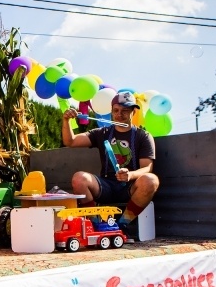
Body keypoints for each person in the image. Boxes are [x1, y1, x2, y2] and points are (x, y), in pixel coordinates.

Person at [61, 91, 160, 226]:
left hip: (130, 188)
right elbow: (70, 142)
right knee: (79, 179)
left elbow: (147, 167)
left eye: (125, 110)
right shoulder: (102, 133)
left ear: (133, 112)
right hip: (105, 186)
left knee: (151, 180)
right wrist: (66, 120)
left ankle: (123, 224)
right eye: (116, 110)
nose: (120, 114)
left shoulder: (143, 136)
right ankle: (95, 223)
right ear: (111, 112)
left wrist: (130, 175)